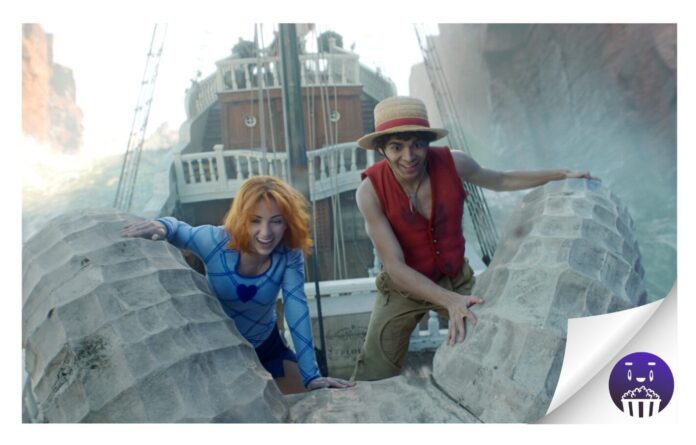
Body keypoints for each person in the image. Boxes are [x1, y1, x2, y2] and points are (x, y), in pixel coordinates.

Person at [351, 96, 595, 381]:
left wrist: (560, 174)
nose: (409, 156)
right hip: (402, 288)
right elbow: (395, 266)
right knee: (374, 369)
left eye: (417, 144)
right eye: (396, 147)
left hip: (456, 279)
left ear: (427, 143)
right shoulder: (369, 192)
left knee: (495, 345)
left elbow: (501, 179)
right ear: (381, 149)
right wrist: (450, 301)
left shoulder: (454, 163)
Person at [122, 175, 355, 394]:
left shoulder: (289, 254)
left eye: (276, 221)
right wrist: (163, 226)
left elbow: (296, 308)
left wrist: (311, 375)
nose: (266, 233)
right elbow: (180, 229)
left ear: (287, 223)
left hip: (268, 346)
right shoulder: (216, 241)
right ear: (242, 218)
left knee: (308, 399)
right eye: (255, 221)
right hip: (222, 351)